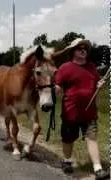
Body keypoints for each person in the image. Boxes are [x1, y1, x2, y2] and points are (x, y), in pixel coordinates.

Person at [54, 38, 109, 180]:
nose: (83, 50)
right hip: (70, 112)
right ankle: (67, 161)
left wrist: (100, 84)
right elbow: (58, 87)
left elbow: (97, 82)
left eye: (85, 48)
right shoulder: (65, 68)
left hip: (90, 113)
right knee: (68, 139)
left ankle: (98, 169)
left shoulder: (91, 67)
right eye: (80, 48)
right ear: (73, 51)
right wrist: (54, 89)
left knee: (91, 138)